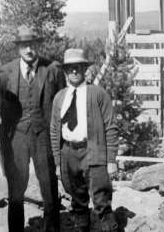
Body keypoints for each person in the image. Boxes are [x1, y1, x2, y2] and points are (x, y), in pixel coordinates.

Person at [0, 26, 66, 232]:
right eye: (24, 46)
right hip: (16, 136)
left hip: (43, 134)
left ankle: (52, 228)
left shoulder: (52, 70)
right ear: (18, 48)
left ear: (38, 46)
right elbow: (1, 105)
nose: (29, 50)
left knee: (48, 185)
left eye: (32, 46)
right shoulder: (4, 73)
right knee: (16, 188)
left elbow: (61, 100)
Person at [50, 48, 119, 232]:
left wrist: (111, 160)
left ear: (84, 69)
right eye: (70, 68)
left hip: (93, 152)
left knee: (101, 201)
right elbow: (55, 131)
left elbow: (111, 127)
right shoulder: (60, 98)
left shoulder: (97, 94)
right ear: (65, 71)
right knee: (78, 203)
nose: (74, 71)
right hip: (69, 154)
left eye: (78, 67)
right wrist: (58, 162)